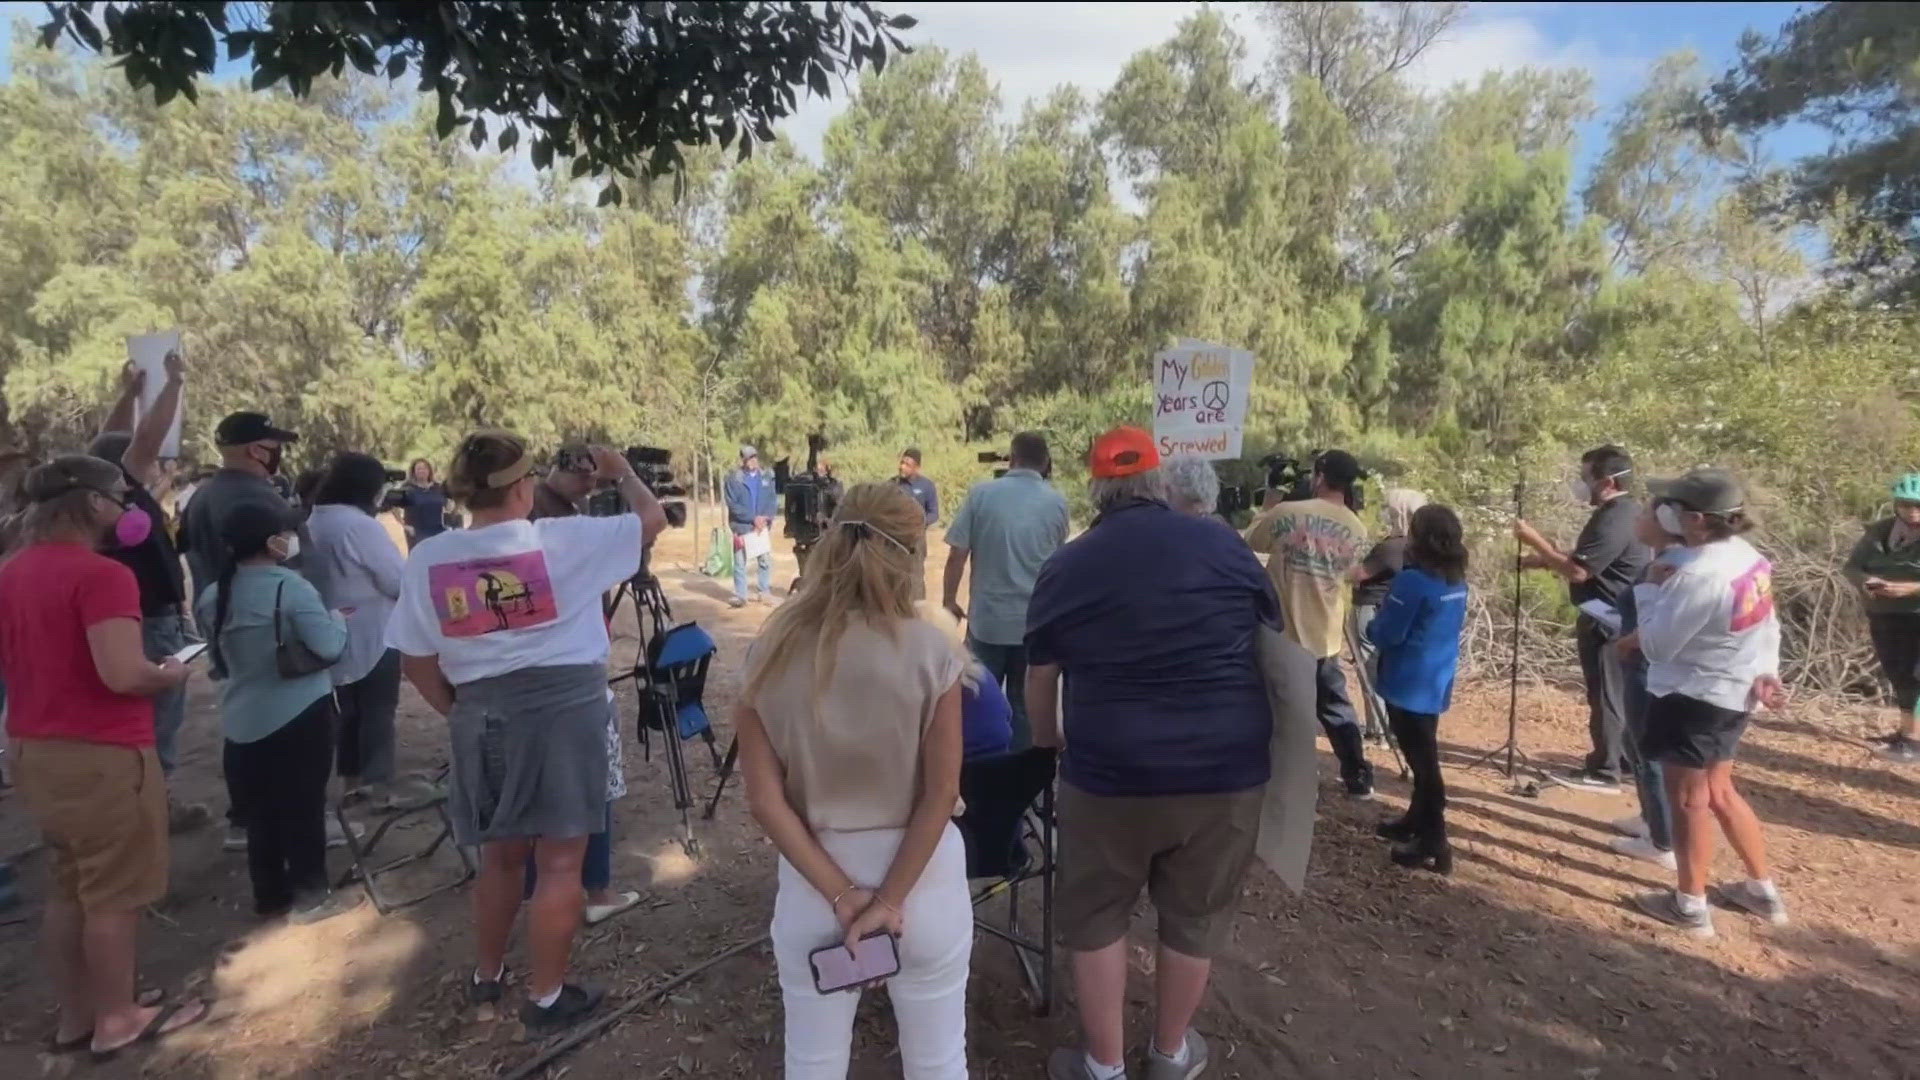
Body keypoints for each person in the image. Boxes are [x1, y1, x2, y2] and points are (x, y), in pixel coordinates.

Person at [387, 430, 664, 1033]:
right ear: (522, 487)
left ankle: (486, 976)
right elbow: (652, 519)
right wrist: (621, 473)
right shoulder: (564, 538)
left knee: (500, 858)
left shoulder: (430, 557)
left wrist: (459, 713)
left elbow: (414, 660)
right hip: (565, 712)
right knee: (562, 863)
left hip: (480, 714)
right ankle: (545, 996)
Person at [1028, 426, 1280, 1080]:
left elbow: (1041, 677)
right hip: (1225, 771)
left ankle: (1104, 1066)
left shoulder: (1068, 565)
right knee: (1193, 915)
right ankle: (1170, 1054)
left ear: (1095, 487)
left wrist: (1047, 743)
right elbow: (1269, 633)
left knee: (1098, 916)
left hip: (1110, 773)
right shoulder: (1223, 544)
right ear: (1159, 481)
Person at [734, 481, 969, 1078]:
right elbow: (940, 793)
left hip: (817, 891)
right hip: (924, 888)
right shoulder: (932, 651)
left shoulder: (769, 651)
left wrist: (844, 895)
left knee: (812, 1064)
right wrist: (889, 900)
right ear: (912, 557)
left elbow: (763, 799)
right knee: (939, 1062)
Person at [0, 455, 206, 1056]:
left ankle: (77, 1018)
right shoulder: (102, 576)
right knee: (115, 892)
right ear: (91, 502)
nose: (128, 507)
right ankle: (120, 1018)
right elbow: (122, 674)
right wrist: (168, 673)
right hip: (102, 752)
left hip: (36, 749)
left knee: (70, 888)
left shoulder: (11, 571)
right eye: (120, 495)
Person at [1629, 468, 1787, 938]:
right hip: (1732, 690)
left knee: (1690, 800)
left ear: (1695, 519)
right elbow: (1768, 622)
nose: (1662, 511)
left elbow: (1657, 646)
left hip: (1693, 695)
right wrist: (1767, 671)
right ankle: (1761, 891)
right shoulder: (1747, 557)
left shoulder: (1698, 574)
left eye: (1670, 506)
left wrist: (1650, 588)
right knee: (1720, 791)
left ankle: (1690, 905)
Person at [197, 502, 358, 923]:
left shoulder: (213, 595)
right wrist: (338, 620)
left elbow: (217, 659)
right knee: (303, 807)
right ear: (273, 542)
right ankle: (311, 897)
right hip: (299, 713)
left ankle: (269, 896)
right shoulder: (291, 587)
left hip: (242, 720)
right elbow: (327, 647)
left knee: (261, 814)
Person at [88, 351, 209, 833]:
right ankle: (154, 804)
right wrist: (174, 384)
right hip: (151, 622)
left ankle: (140, 801)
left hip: (123, 619)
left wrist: (130, 395)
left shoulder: (88, 492)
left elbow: (107, 443)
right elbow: (142, 441)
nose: (157, 465)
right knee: (158, 719)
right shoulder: (124, 491)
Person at [180, 410, 300, 849]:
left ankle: (244, 817)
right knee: (289, 728)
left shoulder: (200, 496)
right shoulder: (261, 500)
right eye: (275, 445)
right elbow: (292, 562)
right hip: (268, 624)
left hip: (220, 619)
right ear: (257, 449)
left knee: (240, 722)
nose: (279, 454)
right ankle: (283, 822)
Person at [1514, 444, 1650, 793]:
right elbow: (1591, 560)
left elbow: (1578, 571)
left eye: (1585, 477)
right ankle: (1619, 760)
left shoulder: (1616, 517)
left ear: (1606, 481)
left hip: (1607, 621)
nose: (1580, 484)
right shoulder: (1623, 514)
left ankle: (1606, 771)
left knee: (1605, 695)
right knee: (1610, 694)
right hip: (1613, 617)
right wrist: (1542, 560)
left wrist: (1535, 541)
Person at [305, 453, 437, 808]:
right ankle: (377, 785)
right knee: (377, 711)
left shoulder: (315, 519)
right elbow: (397, 580)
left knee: (348, 711)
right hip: (373, 631)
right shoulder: (359, 526)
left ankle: (352, 782)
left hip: (332, 627)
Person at [1244, 449, 1377, 797]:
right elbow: (1350, 573)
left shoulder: (1286, 513)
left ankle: (1289, 781)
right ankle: (1358, 776)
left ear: (1318, 476)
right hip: (1326, 636)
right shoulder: (1356, 526)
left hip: (1283, 635)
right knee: (1335, 709)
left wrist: (1270, 502)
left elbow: (1251, 542)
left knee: (1280, 712)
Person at [940, 432, 1068, 749]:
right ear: (1046, 464)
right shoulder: (1057, 502)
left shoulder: (981, 494)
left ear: (1011, 459)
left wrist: (949, 601)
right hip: (1034, 624)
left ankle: (979, 771)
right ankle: (1021, 781)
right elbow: (1058, 562)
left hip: (988, 622)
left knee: (977, 702)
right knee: (1023, 708)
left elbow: (957, 553)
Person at [1367, 505, 1471, 875]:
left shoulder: (1412, 582)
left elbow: (1388, 633)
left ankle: (1434, 841)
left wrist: (1374, 625)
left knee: (1424, 764)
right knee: (1423, 754)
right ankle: (1414, 821)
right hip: (1435, 680)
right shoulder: (1456, 579)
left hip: (1407, 682)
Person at [1608, 504, 1695, 870]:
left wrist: (1629, 642)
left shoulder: (1674, 564)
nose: (1637, 518)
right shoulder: (1659, 556)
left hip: (1649, 669)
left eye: (1644, 513)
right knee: (1635, 743)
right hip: (1638, 666)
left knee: (1649, 752)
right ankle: (1650, 818)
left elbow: (1666, 622)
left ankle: (1663, 842)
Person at [1843, 473, 1920, 764]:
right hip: (1885, 614)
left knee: (1918, 675)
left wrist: (1910, 588)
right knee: (1898, 674)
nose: (1912, 512)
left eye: (1918, 506)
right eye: (1905, 505)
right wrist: (1867, 581)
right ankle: (1905, 733)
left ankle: (1915, 742)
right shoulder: (1879, 532)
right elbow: (1851, 567)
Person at [1350, 489, 1429, 741]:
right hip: (1395, 612)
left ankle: (1379, 728)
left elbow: (1358, 574)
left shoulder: (1390, 547)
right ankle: (1388, 727)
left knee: (1369, 667)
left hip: (1371, 607)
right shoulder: (1421, 547)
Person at [926, 605, 1015, 759]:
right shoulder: (981, 674)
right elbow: (1007, 716)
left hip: (963, 769)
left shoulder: (936, 684)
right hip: (1000, 766)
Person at [724, 445, 778, 608]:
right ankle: (741, 595)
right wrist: (752, 519)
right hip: (742, 526)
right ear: (743, 460)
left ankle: (764, 591)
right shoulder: (734, 479)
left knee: (765, 561)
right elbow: (733, 505)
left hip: (761, 526)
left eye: (754, 457)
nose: (752, 461)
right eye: (748, 458)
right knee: (740, 562)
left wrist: (765, 519)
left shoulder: (766, 477)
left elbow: (772, 500)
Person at [898, 448, 939, 600]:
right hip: (894, 540)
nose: (902, 467)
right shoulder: (892, 485)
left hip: (916, 540)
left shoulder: (927, 486)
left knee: (915, 578)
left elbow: (934, 513)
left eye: (907, 464)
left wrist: (919, 523)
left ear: (917, 467)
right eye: (902, 463)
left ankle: (918, 614)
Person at [392, 458, 454, 548]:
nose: (422, 471)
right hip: (416, 532)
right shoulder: (408, 488)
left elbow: (448, 506)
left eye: (424, 468)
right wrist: (404, 525)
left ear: (429, 470)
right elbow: (393, 506)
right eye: (419, 468)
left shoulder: (438, 487)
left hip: (438, 531)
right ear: (413, 472)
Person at [532, 444, 596, 522]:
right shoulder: (533, 500)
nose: (587, 486)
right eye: (582, 475)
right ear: (557, 469)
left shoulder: (582, 502)